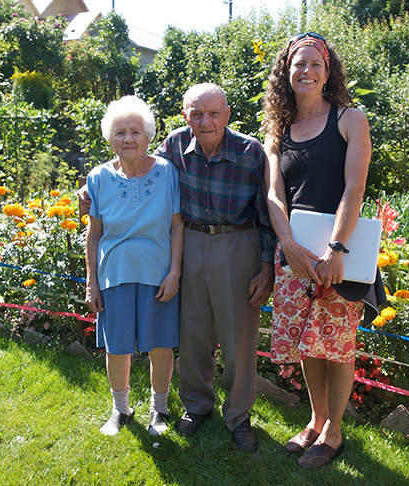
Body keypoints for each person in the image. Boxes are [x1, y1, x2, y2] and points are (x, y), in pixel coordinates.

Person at [262, 33, 386, 468]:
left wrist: (335, 247)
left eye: (316, 63)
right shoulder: (277, 130)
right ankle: (315, 420)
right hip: (295, 255)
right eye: (298, 64)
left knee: (337, 344)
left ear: (327, 71)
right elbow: (275, 196)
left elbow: (355, 188)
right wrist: (289, 246)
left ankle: (334, 433)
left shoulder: (351, 119)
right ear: (286, 71)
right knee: (307, 343)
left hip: (340, 254)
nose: (307, 71)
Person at [155, 83, 275, 452]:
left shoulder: (250, 151)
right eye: (196, 113)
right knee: (193, 331)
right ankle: (196, 406)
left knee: (239, 336)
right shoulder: (174, 145)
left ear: (227, 114)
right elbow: (139, 171)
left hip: (238, 241)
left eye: (213, 113)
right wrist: (93, 187)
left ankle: (239, 417)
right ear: (184, 114)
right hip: (190, 241)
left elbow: (267, 215)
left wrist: (267, 267)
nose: (205, 121)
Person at [85, 96, 183, 437]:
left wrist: (175, 273)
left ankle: (160, 409)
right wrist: (91, 284)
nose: (128, 139)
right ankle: (121, 409)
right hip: (115, 273)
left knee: (160, 345)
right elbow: (94, 233)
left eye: (135, 132)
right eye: (120, 132)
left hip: (158, 273)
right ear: (109, 138)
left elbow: (176, 226)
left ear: (148, 136)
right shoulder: (97, 177)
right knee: (118, 346)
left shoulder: (166, 171)